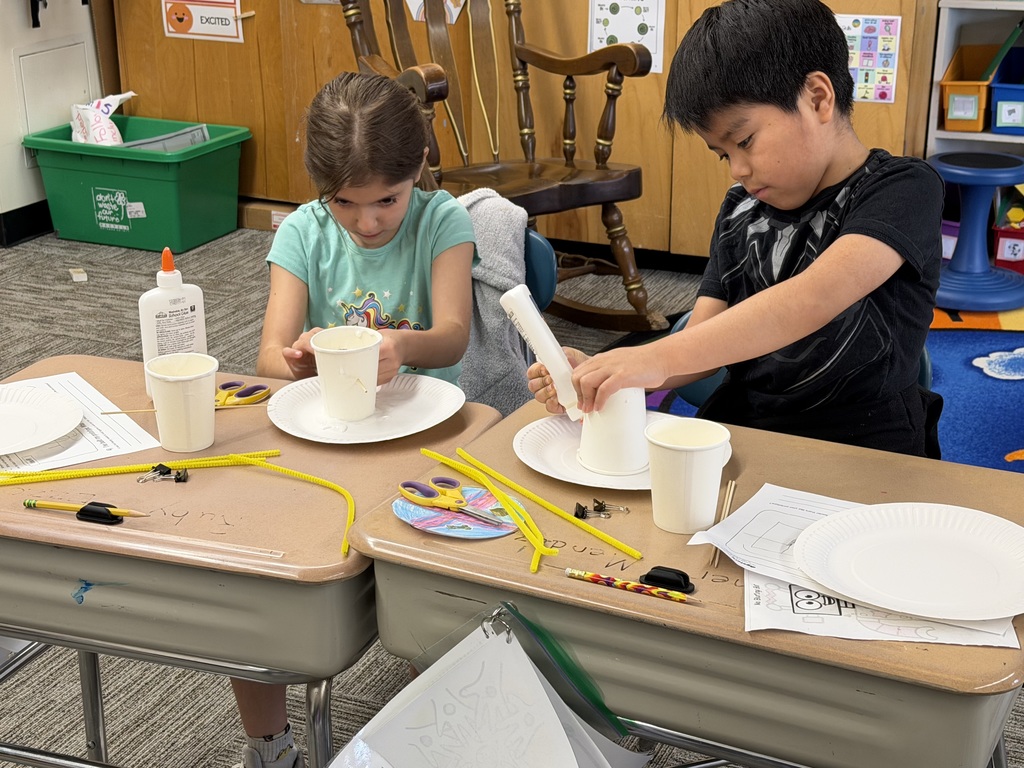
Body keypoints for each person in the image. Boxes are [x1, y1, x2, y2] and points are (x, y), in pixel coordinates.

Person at [529, 0, 944, 458]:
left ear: (818, 98)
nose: (738, 170)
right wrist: (608, 373)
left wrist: (649, 357)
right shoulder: (740, 210)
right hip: (744, 431)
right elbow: (699, 342)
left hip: (867, 445)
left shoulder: (904, 188)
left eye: (744, 141)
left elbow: (812, 298)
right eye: (723, 154)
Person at [237, 71, 476, 768]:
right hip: (325, 437)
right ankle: (270, 746)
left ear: (418, 171)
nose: (367, 222)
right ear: (319, 188)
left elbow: (455, 334)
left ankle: (429, 739)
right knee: (260, 574)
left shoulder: (441, 220)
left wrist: (404, 347)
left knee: (427, 597)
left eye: (386, 201)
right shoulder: (305, 233)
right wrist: (303, 359)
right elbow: (266, 356)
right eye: (345, 202)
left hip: (425, 439)